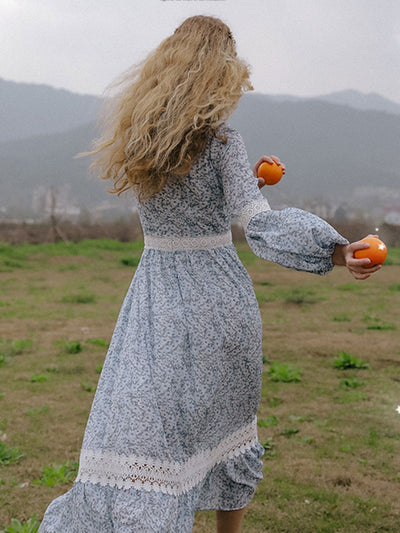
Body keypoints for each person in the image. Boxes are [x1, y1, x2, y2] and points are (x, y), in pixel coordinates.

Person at [38, 15, 380, 533]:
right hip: (221, 302)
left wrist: (246, 178)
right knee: (226, 432)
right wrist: (334, 250)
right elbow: (257, 224)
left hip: (157, 301)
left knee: (146, 438)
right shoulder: (223, 144)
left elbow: (188, 194)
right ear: (222, 75)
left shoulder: (139, 142)